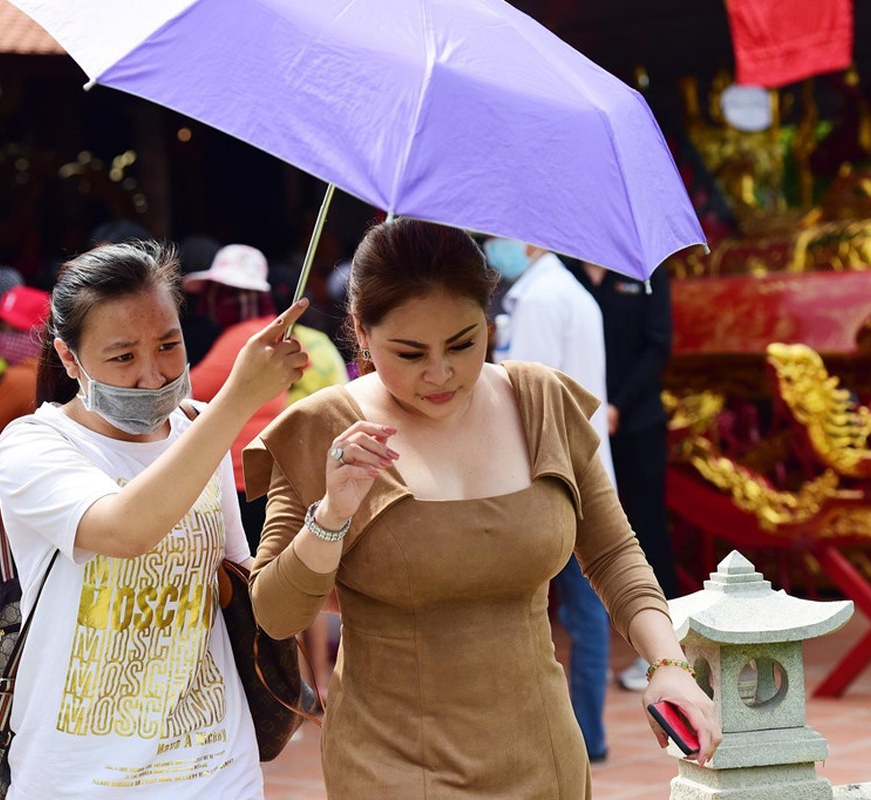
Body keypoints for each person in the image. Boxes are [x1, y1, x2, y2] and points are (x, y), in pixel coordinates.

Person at [245, 219, 720, 799]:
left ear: (489, 320)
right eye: (410, 352)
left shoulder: (540, 401)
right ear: (361, 334)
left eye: (464, 343)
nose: (441, 373)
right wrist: (333, 512)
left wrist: (669, 669)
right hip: (391, 763)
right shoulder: (323, 428)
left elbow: (615, 553)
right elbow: (274, 614)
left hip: (542, 754)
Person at [0, 241, 308, 799]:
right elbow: (123, 530)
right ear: (70, 359)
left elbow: (240, 581)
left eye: (168, 345)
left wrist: (330, 520)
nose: (154, 375)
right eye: (122, 356)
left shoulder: (198, 426)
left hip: (217, 768)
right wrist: (238, 399)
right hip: (81, 779)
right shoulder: (32, 447)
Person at [485, 236, 616, 763]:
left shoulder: (540, 300)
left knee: (531, 610)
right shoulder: (571, 292)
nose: (495, 246)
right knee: (586, 613)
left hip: (549, 475)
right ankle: (589, 735)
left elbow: (524, 398)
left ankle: (566, 735)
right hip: (580, 468)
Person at [565, 259, 677, 692]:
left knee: (647, 530)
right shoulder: (566, 272)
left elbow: (658, 346)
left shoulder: (644, 272)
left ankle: (664, 650)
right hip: (585, 422)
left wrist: (619, 405)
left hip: (637, 422)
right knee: (589, 529)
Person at [188, 244, 289, 553]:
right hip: (260, 472)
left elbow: (189, 392)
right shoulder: (268, 334)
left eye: (218, 292)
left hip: (239, 477)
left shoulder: (244, 339)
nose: (210, 303)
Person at [0, 286, 51, 490]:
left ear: (42, 334)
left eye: (17, 331)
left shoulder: (20, 379)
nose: (5, 339)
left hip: (11, 489)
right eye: (1, 329)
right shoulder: (56, 372)